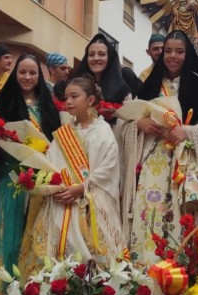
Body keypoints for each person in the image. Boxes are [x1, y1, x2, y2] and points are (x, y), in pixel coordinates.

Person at [119, 31, 198, 267]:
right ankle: (145, 270)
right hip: (151, 163)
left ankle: (179, 273)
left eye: (179, 51)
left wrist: (187, 131)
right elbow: (126, 120)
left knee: (177, 216)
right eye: (168, 51)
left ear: (188, 54)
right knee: (148, 214)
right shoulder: (149, 86)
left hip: (182, 164)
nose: (173, 56)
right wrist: (138, 123)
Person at [18, 77, 124, 274]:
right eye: (66, 97)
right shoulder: (63, 132)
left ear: (90, 100)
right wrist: (51, 183)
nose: (68, 102)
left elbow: (108, 167)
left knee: (93, 251)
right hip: (61, 199)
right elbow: (52, 162)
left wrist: (83, 187)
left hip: (90, 201)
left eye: (74, 96)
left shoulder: (103, 130)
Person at [0, 54, 61, 295]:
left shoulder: (51, 109)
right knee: (6, 237)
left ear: (40, 77)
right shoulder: (3, 104)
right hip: (11, 179)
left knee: (33, 241)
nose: (27, 78)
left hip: (40, 182)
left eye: (33, 73)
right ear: (15, 75)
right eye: (22, 73)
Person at [70, 33, 139, 105]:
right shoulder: (80, 82)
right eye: (91, 54)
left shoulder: (125, 76)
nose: (96, 58)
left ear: (110, 57)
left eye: (101, 54)